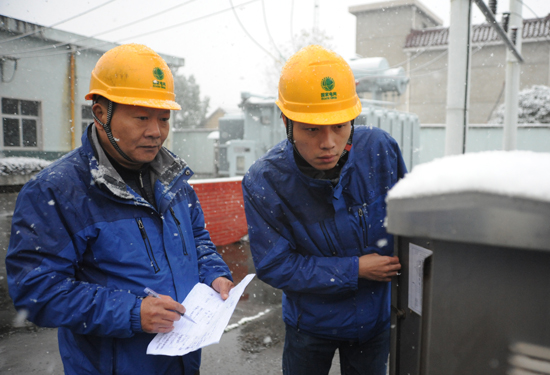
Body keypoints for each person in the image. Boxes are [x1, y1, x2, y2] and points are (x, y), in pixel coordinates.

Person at [5, 43, 234, 375]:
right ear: (100, 113)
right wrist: (132, 312)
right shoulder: (57, 191)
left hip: (182, 360)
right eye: (142, 117)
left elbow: (197, 241)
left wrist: (214, 273)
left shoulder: (174, 182)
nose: (156, 132)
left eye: (164, 118)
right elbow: (36, 290)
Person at [242, 45, 406, 375]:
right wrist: (354, 269)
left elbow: (409, 222)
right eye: (312, 129)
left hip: (374, 321)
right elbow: (274, 265)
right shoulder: (265, 180)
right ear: (286, 122)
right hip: (310, 326)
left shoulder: (379, 149)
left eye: (340, 125)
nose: (328, 142)